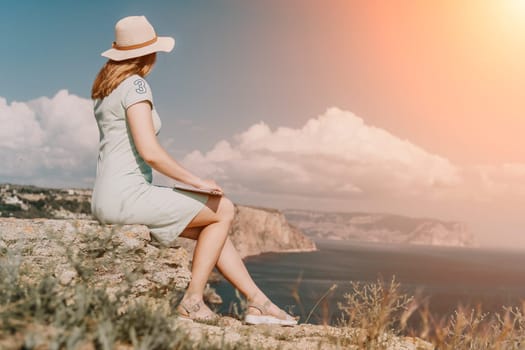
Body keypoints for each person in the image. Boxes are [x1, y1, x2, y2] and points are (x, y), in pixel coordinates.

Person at [90, 15, 297, 326]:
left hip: (105, 198)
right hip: (128, 196)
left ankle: (259, 303)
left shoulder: (107, 90)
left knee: (212, 227)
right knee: (223, 208)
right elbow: (151, 153)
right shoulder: (135, 85)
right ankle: (192, 301)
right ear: (149, 54)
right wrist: (197, 182)